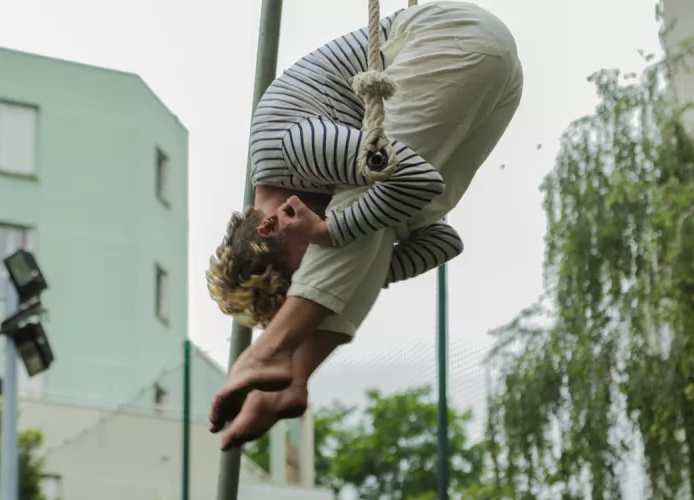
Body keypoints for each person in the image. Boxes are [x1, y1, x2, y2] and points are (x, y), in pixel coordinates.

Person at [206, 1, 523, 450]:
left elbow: (412, 176)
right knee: (373, 218)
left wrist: (329, 234)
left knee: (365, 201)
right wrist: (357, 254)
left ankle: (276, 351)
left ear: (270, 227)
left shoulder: (290, 148)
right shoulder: (320, 180)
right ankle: (293, 371)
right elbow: (443, 241)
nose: (319, 263)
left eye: (307, 269)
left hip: (450, 37)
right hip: (493, 70)